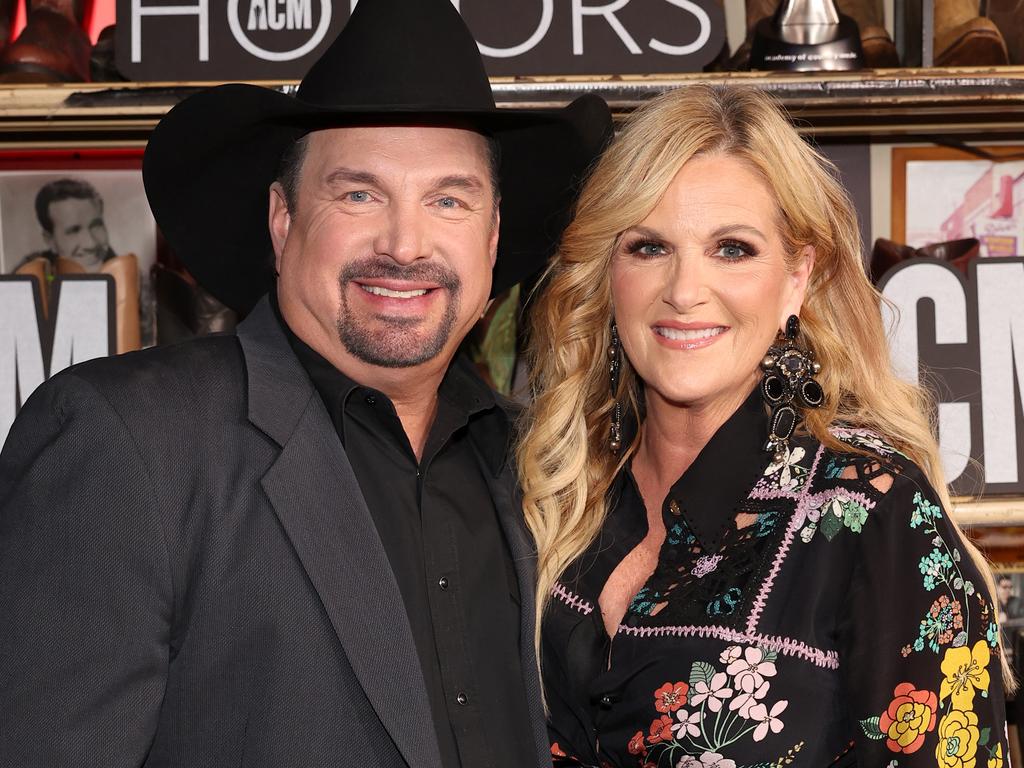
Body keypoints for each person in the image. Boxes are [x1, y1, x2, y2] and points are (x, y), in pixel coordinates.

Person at [0, 1, 612, 766]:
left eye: (448, 200)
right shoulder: (125, 440)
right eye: (359, 194)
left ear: (490, 237)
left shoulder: (538, 465)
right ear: (284, 221)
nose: (405, 244)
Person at [517, 84, 1012, 768]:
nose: (685, 291)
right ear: (607, 274)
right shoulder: (555, 498)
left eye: (732, 249)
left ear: (797, 276)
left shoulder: (872, 514)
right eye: (649, 247)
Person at [20, 177, 116, 272]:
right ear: (50, 241)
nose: (90, 244)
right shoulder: (29, 277)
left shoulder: (125, 273)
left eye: (96, 225)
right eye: (74, 230)